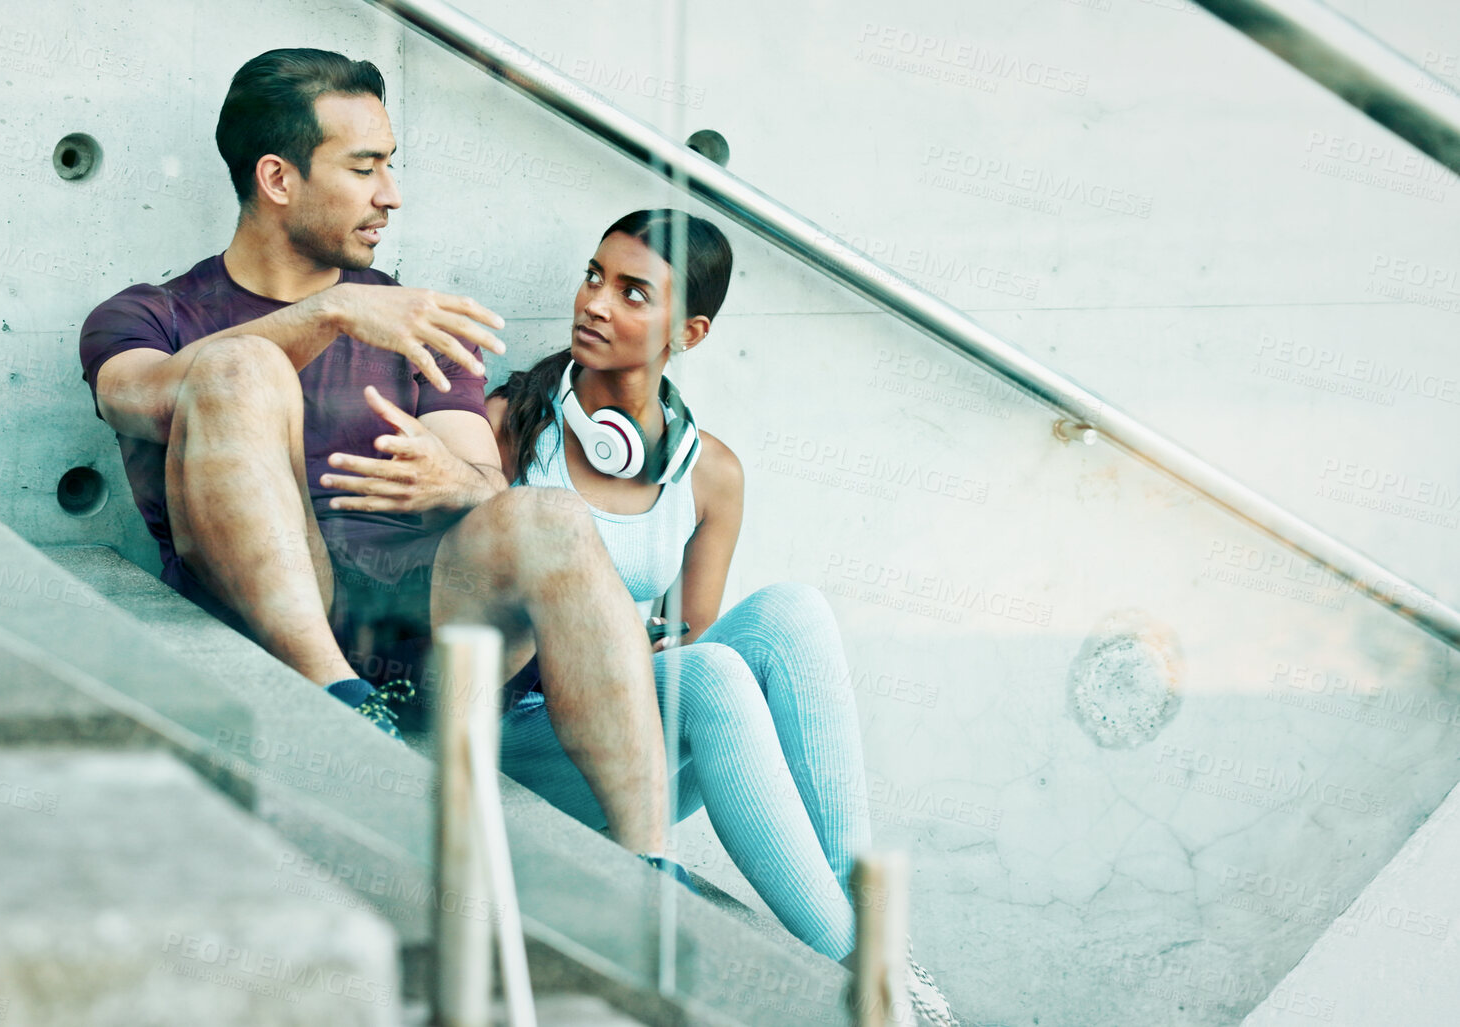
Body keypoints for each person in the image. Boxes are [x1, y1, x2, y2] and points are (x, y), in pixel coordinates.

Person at [76, 49, 682, 867]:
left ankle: (647, 867)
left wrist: (456, 485)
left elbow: (482, 478)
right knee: (238, 366)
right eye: (364, 169)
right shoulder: (155, 313)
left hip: (429, 636)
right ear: (278, 179)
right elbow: (133, 395)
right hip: (273, 624)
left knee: (549, 515)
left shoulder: (416, 320)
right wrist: (326, 315)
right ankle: (338, 702)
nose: (389, 195)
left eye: (390, 166)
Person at [486, 209, 958, 1024]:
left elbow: (692, 643)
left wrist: (631, 647)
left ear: (689, 332)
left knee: (788, 615)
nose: (595, 302)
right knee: (705, 673)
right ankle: (879, 984)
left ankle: (877, 942)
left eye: (633, 292)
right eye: (593, 275)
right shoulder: (506, 425)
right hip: (516, 732)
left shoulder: (711, 475)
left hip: (625, 749)